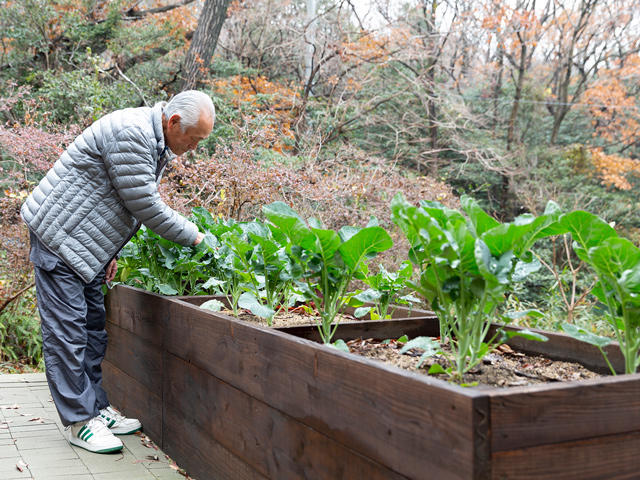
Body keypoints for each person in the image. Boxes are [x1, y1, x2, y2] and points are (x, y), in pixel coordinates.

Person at [20, 90, 214, 454]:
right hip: (60, 237)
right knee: (68, 331)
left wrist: (111, 250)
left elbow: (115, 199)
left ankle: (95, 407)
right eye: (195, 138)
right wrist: (197, 237)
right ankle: (79, 421)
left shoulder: (153, 138)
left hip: (86, 243)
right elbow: (143, 203)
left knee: (93, 326)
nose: (195, 146)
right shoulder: (133, 132)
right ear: (173, 123)